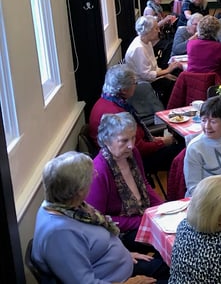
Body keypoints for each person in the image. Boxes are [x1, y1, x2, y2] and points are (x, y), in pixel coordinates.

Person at [31, 151, 169, 284]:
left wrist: (125, 255)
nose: (95, 176)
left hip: (123, 266)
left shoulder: (66, 205)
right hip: (118, 280)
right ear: (78, 191)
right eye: (91, 176)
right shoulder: (60, 233)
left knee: (174, 267)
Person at [86, 112, 163, 252]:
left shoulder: (133, 154)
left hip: (143, 217)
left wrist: (160, 208)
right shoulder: (98, 171)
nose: (131, 145)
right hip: (120, 232)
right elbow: (99, 219)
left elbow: (143, 184)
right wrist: (143, 221)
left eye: (133, 138)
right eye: (124, 140)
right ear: (107, 140)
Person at [89, 65, 181, 175]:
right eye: (134, 83)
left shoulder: (104, 101)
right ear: (123, 90)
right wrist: (163, 142)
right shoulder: (117, 114)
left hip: (122, 154)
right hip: (129, 161)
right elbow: (137, 149)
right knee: (181, 150)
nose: (136, 86)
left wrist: (155, 139)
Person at [125, 16, 181, 106]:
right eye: (156, 28)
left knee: (176, 76)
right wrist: (166, 71)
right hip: (141, 84)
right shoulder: (138, 48)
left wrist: (165, 74)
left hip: (151, 78)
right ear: (147, 31)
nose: (158, 31)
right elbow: (146, 75)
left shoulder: (146, 42)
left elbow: (154, 66)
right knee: (172, 86)